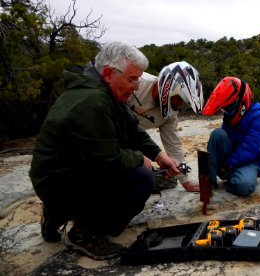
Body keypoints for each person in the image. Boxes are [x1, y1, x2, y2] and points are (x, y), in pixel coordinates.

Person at [29, 41, 180, 260]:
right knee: (142, 179)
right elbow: (106, 161)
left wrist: (159, 155)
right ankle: (82, 233)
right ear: (109, 73)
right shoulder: (94, 102)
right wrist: (140, 159)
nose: (137, 86)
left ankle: (57, 212)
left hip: (59, 176)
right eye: (132, 79)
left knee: (139, 170)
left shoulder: (105, 92)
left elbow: (132, 129)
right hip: (58, 182)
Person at [129, 61, 205, 192]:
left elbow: (173, 145)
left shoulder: (170, 116)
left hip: (132, 142)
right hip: (104, 137)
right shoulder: (137, 83)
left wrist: (186, 182)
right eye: (180, 99)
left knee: (164, 179)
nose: (180, 104)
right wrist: (138, 156)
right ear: (169, 88)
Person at [201, 76, 260, 196]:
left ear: (241, 101)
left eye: (228, 108)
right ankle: (211, 182)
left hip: (251, 161)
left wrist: (228, 165)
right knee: (217, 134)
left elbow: (251, 149)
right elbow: (224, 137)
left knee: (244, 185)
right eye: (224, 109)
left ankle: (233, 176)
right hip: (232, 158)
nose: (226, 111)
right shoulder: (231, 116)